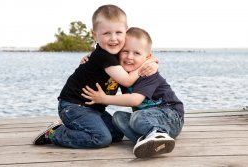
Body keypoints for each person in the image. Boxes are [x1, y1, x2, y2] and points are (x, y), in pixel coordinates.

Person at [33, 5, 157, 149]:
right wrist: (147, 64)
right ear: (95, 35)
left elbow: (139, 54)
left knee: (117, 134)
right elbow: (127, 80)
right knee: (101, 138)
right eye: (106, 34)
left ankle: (72, 126)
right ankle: (55, 133)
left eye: (118, 32)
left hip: (94, 109)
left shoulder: (117, 55)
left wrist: (152, 62)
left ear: (126, 32)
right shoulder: (103, 56)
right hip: (74, 106)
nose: (113, 38)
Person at [81, 27, 184, 158]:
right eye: (125, 51)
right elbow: (105, 55)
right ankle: (146, 141)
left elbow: (135, 100)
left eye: (136, 53)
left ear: (147, 57)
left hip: (171, 117)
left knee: (137, 117)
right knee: (118, 117)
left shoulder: (148, 73)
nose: (129, 57)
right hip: (146, 118)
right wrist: (92, 57)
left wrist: (103, 99)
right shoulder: (121, 73)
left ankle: (158, 134)